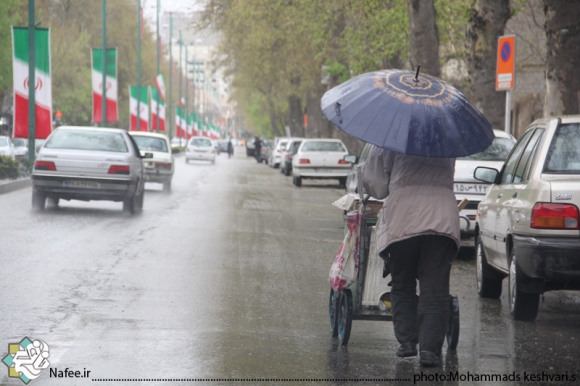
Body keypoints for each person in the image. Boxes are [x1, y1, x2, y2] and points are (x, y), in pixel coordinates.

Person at [362, 147, 459, 367]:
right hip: (441, 217)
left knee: (403, 282)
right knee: (435, 288)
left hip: (403, 217)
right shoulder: (446, 137)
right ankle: (429, 351)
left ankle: (407, 342)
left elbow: (375, 185)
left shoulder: (394, 135)